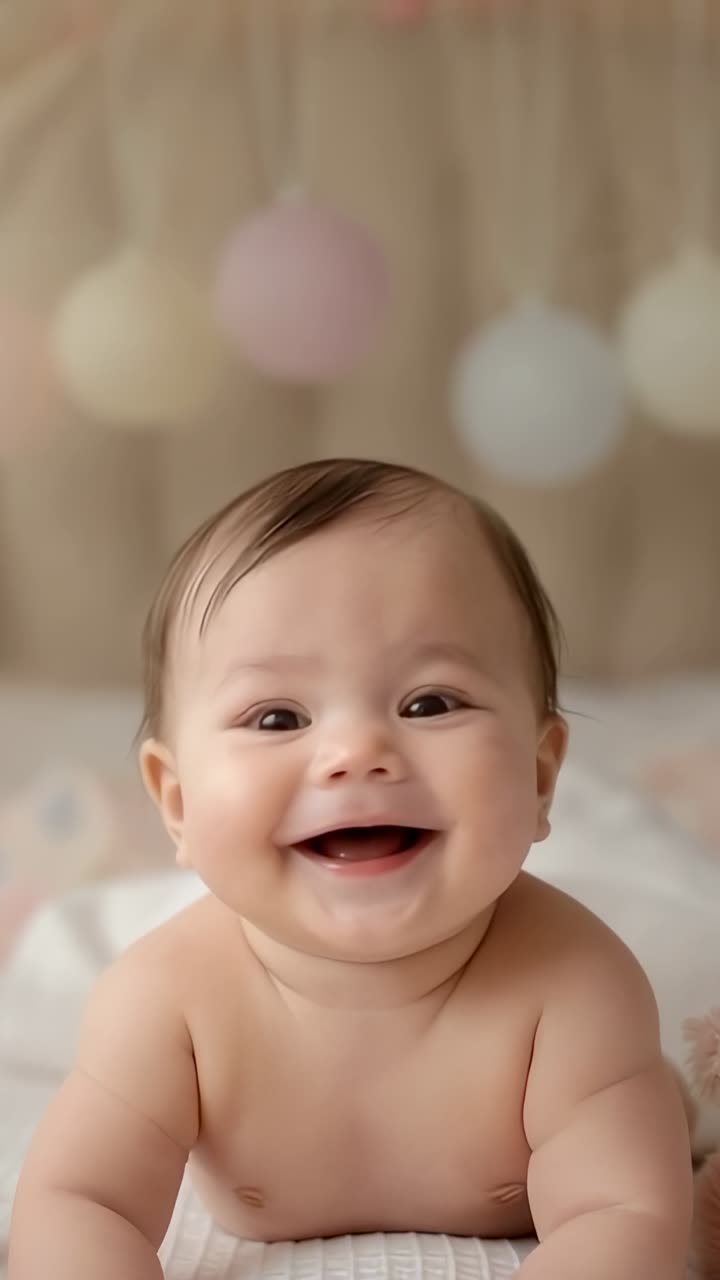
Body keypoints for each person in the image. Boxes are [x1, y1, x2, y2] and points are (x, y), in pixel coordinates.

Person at [9, 458, 692, 1280]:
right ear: (179, 805)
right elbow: (78, 1203)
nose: (354, 753)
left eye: (430, 703)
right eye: (277, 716)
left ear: (541, 775)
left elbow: (625, 1214)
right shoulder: (165, 1001)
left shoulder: (578, 986)